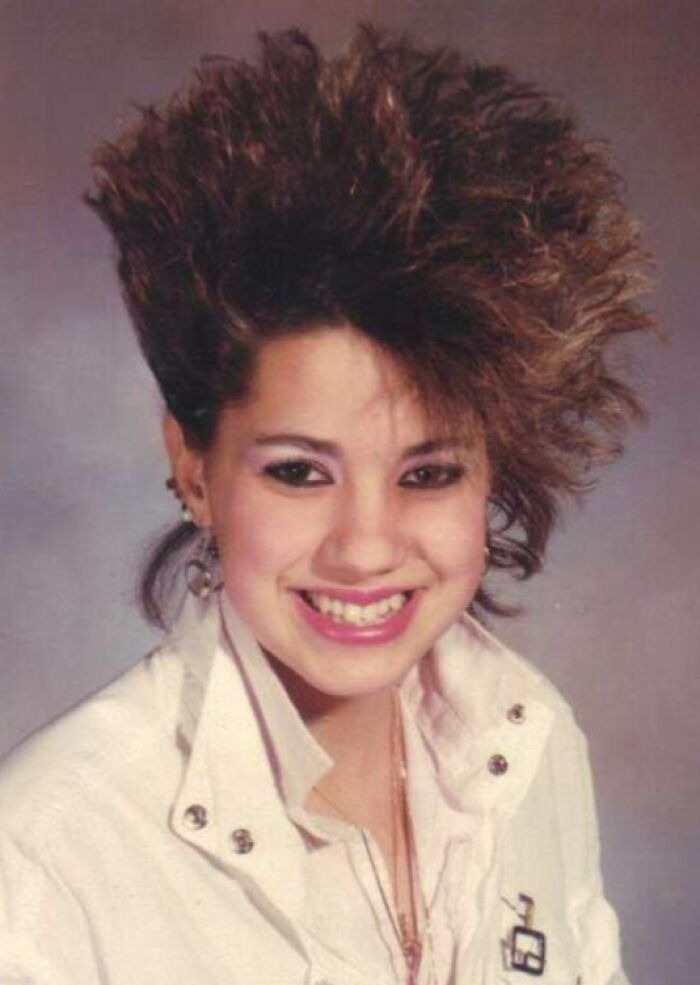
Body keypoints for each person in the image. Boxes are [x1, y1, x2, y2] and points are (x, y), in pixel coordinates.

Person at [0, 24, 654, 985]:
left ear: (495, 475)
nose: (364, 548)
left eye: (427, 474)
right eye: (300, 472)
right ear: (193, 465)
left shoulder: (530, 740)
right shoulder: (49, 851)